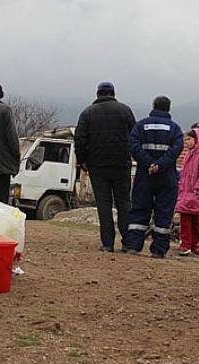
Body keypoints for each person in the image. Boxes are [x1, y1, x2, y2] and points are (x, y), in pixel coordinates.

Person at [74, 81, 136, 252]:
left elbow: (79, 139)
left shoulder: (87, 113)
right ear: (114, 94)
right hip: (121, 164)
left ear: (97, 94)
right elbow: (134, 136)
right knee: (124, 202)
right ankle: (128, 242)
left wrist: (82, 161)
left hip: (97, 165)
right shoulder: (125, 111)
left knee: (104, 203)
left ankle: (107, 243)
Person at [125, 96, 184, 258]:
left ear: (153, 106)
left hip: (145, 174)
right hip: (167, 176)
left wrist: (149, 163)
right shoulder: (175, 129)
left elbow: (133, 146)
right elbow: (176, 151)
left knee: (139, 209)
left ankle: (133, 246)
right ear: (168, 108)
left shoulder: (141, 126)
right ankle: (158, 250)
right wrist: (160, 165)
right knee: (164, 212)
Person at [175, 128, 199, 256]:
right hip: (186, 193)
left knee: (196, 222)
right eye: (185, 139)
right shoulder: (188, 156)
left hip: (197, 194)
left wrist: (197, 188)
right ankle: (186, 244)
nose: (186, 142)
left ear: (198, 140)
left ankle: (193, 245)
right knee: (185, 221)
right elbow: (184, 174)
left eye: (189, 139)